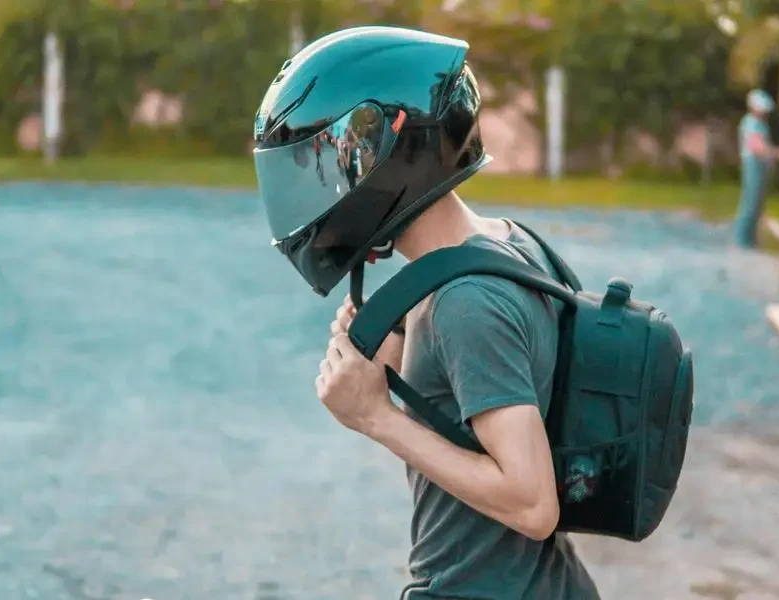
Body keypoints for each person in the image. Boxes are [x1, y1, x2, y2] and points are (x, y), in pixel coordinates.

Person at [251, 26, 600, 600]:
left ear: (389, 157)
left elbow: (534, 503)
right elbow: (479, 404)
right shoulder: (511, 245)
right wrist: (400, 357)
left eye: (330, 160)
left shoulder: (467, 301)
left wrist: (376, 417)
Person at [734, 89, 779, 248]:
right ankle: (743, 242)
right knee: (750, 205)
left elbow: (763, 148)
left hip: (760, 167)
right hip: (753, 165)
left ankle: (750, 241)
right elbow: (757, 148)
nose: (764, 112)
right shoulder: (751, 123)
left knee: (757, 206)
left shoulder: (760, 124)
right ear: (754, 107)